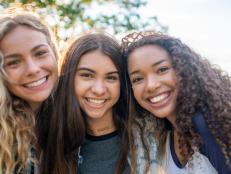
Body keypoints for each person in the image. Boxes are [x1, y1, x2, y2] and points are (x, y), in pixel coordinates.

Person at [121, 31, 231, 174]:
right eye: (137, 79)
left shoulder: (207, 124)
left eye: (162, 70)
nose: (151, 85)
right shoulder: (163, 135)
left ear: (184, 69)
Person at [41, 33, 130, 174]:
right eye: (87, 75)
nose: (99, 90)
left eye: (111, 77)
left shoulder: (144, 140)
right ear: (69, 78)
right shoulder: (48, 137)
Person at [0, 11, 59, 174]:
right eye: (14, 62)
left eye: (40, 53)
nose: (33, 69)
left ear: (54, 52)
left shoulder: (70, 112)